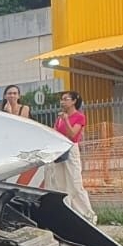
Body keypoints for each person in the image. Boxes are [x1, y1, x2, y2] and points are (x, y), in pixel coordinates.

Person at [46, 91, 97, 224]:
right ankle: (67, 212)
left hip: (71, 148)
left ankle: (87, 214)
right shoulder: (59, 117)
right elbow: (56, 132)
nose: (63, 102)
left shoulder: (79, 117)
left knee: (74, 182)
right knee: (60, 183)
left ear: (74, 101)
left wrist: (66, 120)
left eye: (66, 99)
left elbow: (73, 134)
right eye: (61, 99)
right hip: (60, 149)